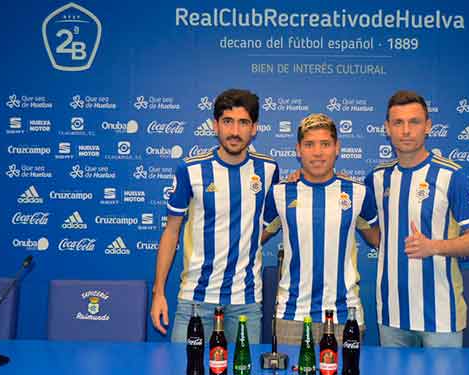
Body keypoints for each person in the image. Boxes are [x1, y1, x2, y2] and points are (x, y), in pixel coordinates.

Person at [150, 89, 279, 343]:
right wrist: (159, 292)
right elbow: (171, 232)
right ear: (215, 125)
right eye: (227, 121)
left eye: (243, 123)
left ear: (255, 128)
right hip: (195, 299)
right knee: (186, 367)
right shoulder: (190, 169)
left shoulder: (268, 169)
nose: (235, 131)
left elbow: (270, 222)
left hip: (245, 301)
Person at [365, 90, 469, 348]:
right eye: (398, 123)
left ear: (428, 126)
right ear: (387, 128)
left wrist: (433, 246)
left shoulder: (451, 175)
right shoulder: (377, 178)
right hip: (392, 315)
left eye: (414, 122)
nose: (406, 130)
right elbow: (362, 219)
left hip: (441, 317)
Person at [261, 113, 379, 344]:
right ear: (298, 149)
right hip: (291, 316)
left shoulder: (359, 193)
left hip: (345, 316)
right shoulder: (279, 193)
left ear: (337, 148)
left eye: (325, 144)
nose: (317, 152)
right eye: (309, 145)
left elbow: (378, 239)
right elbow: (252, 238)